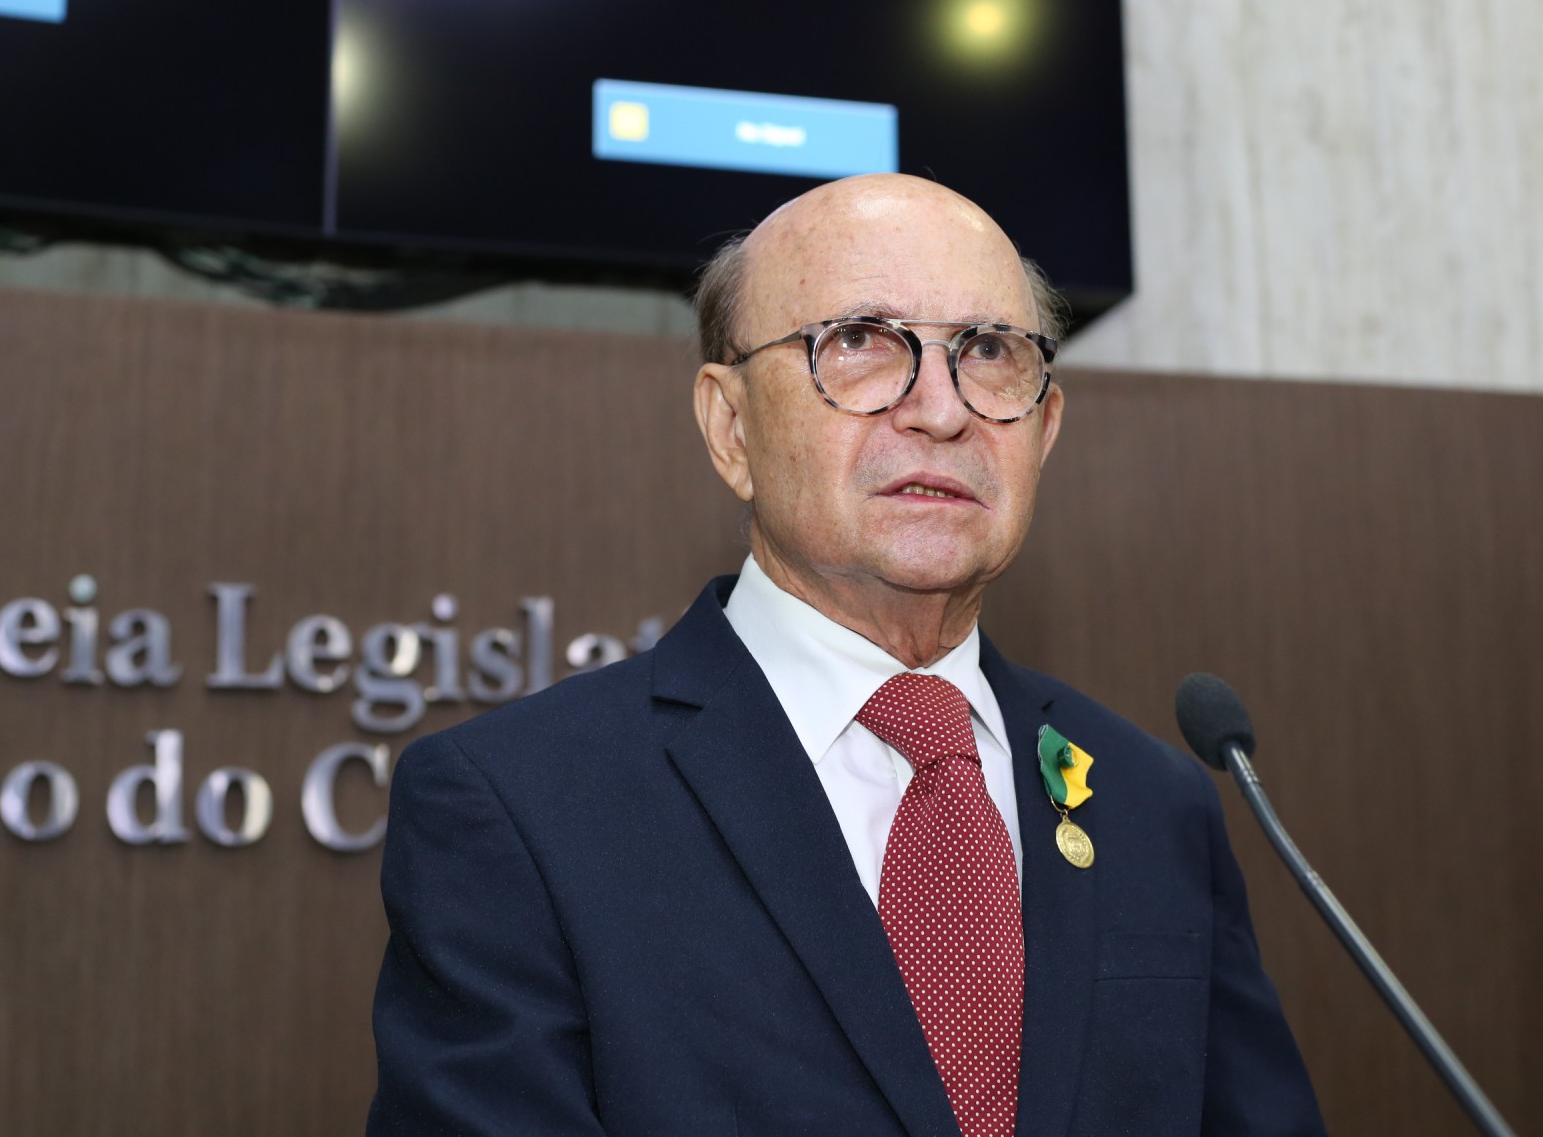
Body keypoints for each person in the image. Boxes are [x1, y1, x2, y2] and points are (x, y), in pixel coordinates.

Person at [368, 174, 1324, 1136]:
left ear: (1046, 430)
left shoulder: (1153, 803)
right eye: (860, 343)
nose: (941, 411)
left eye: (988, 351)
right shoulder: (522, 806)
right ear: (731, 427)